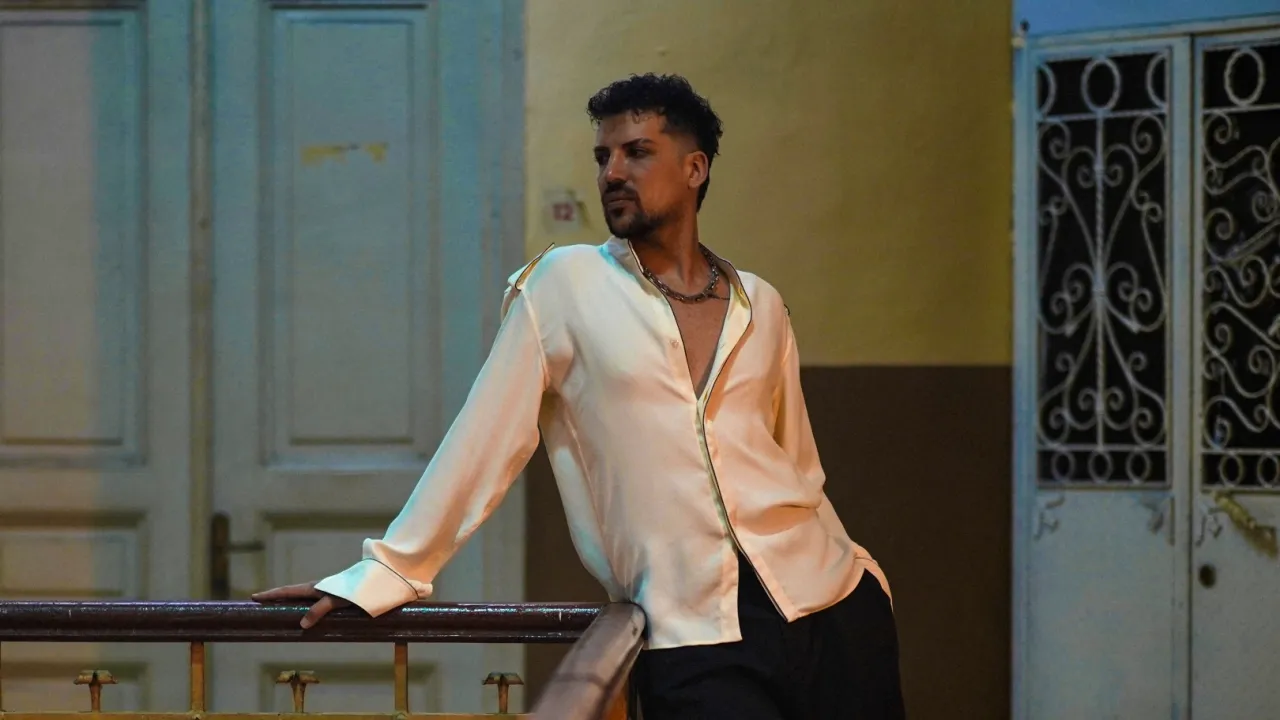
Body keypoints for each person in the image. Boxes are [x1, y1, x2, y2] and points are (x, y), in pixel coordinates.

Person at [253, 73, 905, 719]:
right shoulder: (563, 285)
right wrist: (389, 571)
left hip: (833, 605)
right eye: (602, 157)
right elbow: (482, 441)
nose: (612, 172)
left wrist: (860, 572)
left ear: (694, 168)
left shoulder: (759, 303)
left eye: (637, 152)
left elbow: (798, 467)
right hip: (690, 631)